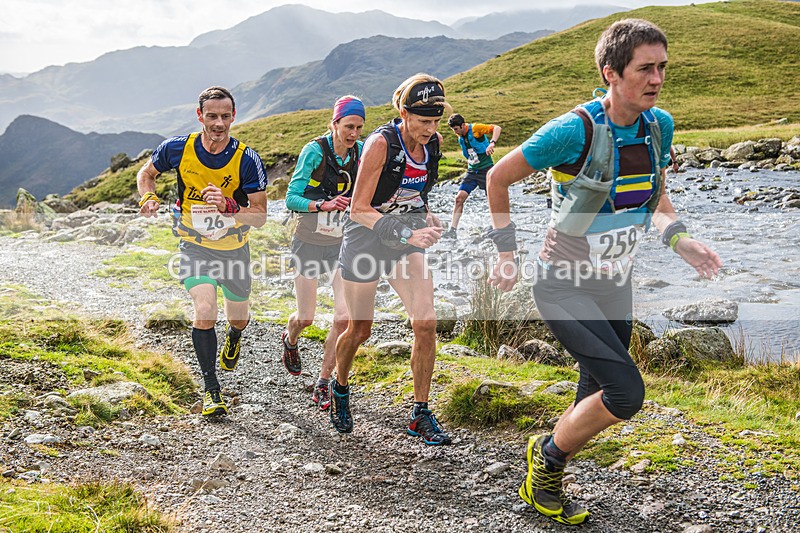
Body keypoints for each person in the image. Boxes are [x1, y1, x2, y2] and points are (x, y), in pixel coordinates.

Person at [485, 19, 721, 525]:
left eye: (662, 67)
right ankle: (544, 457)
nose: (656, 78)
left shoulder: (660, 125)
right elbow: (496, 177)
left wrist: (679, 239)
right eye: (645, 69)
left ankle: (547, 481)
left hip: (616, 284)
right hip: (561, 286)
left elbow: (653, 191)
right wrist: (507, 253)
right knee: (625, 393)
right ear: (610, 73)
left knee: (592, 390)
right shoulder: (574, 130)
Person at [330, 73, 452, 445]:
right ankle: (339, 387)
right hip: (367, 239)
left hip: (405, 240)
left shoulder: (433, 144)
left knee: (426, 322)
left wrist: (425, 214)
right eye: (423, 121)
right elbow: (358, 209)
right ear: (403, 112)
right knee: (360, 329)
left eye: (435, 120)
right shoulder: (381, 144)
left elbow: (417, 191)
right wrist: (407, 232)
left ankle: (419, 412)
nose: (430, 129)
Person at [137, 86, 267, 418]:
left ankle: (235, 335)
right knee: (205, 309)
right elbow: (146, 174)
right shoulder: (178, 149)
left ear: (234, 116)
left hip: (234, 249)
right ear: (200, 116)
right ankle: (212, 390)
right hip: (193, 246)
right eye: (212, 116)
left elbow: (260, 216)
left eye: (226, 116)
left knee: (238, 317)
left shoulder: (246, 159)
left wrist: (229, 207)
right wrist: (147, 197)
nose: (219, 123)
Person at [282, 95, 365, 411]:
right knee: (306, 317)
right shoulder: (315, 151)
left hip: (343, 245)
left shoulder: (360, 153)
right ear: (334, 123)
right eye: (348, 126)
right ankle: (290, 340)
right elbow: (291, 198)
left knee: (343, 318)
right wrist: (322, 205)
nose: (353, 133)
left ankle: (324, 382)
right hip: (309, 242)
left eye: (358, 127)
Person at [444, 114, 501, 238]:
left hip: (486, 170)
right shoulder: (461, 138)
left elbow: (497, 128)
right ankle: (452, 230)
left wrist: (492, 143)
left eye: (456, 129)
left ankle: (499, 226)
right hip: (472, 171)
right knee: (459, 198)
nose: (455, 132)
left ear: (463, 125)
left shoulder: (476, 128)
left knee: (492, 199)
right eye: (453, 130)